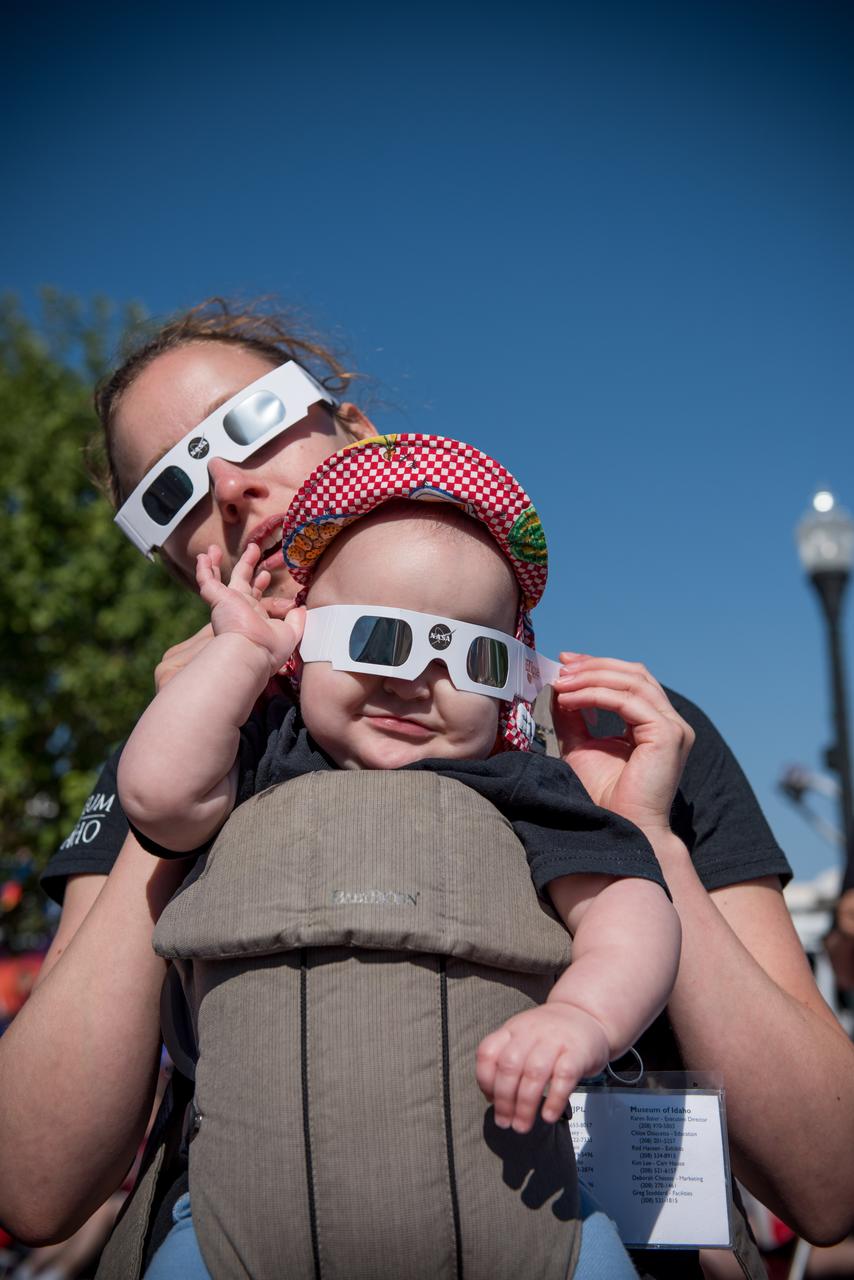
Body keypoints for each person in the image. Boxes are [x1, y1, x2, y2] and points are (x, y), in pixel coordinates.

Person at [0, 300, 852, 1278]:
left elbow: (825, 1180)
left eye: (248, 422)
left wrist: (636, 832)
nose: (229, 484)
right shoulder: (169, 760)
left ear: (351, 427)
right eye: (170, 490)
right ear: (169, 556)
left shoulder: (626, 734)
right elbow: (33, 1183)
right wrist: (169, 799)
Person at [118, 436, 682, 1275]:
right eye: (376, 637)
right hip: (238, 1223)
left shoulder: (521, 788)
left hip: (521, 1219)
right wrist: (238, 653)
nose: (414, 678)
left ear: (509, 685)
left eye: (468, 656)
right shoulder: (260, 751)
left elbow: (632, 908)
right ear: (299, 634)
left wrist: (586, 1016)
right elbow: (158, 797)